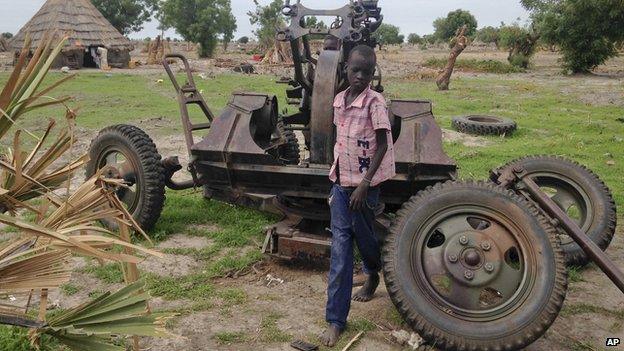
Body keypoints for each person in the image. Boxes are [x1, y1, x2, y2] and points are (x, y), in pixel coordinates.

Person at [320, 44, 395, 347]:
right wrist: (335, 180)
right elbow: (340, 142)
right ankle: (335, 320)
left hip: (366, 187)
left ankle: (373, 272)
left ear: (373, 72)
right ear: (346, 70)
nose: (360, 76)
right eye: (355, 70)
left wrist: (364, 185)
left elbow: (382, 145)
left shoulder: (374, 103)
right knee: (340, 250)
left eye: (366, 72)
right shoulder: (339, 100)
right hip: (341, 186)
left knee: (365, 239)